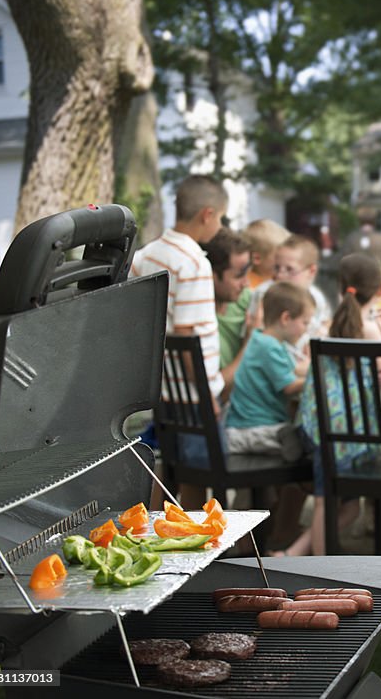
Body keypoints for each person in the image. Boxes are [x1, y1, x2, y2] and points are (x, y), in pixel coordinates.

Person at [283, 253, 381, 556]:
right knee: (342, 506)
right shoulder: (370, 331)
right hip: (353, 433)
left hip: (320, 429)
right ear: (380, 290)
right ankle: (314, 564)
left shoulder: (326, 328)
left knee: (328, 503)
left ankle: (298, 555)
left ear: (341, 287)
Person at [131, 174, 228, 510]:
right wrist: (204, 395)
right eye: (221, 218)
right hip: (192, 395)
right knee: (197, 478)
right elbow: (187, 335)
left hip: (163, 391)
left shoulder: (146, 256)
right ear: (207, 214)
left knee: (179, 470)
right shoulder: (195, 264)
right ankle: (198, 539)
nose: (220, 226)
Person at [224, 281, 313, 459]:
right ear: (286, 318)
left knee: (292, 436)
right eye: (305, 322)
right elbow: (289, 386)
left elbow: (292, 371)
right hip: (252, 428)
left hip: (247, 425)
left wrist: (311, 368)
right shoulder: (270, 347)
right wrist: (316, 379)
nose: (306, 329)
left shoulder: (261, 340)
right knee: (298, 437)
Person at [250, 235, 332, 358]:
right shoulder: (264, 294)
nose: (280, 276)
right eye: (277, 268)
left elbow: (325, 322)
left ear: (311, 271)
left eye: (289, 269)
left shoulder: (316, 297)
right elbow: (255, 334)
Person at [202, 227, 255, 398]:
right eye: (239, 276)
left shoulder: (245, 299)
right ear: (212, 275)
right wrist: (249, 343)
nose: (246, 283)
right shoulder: (198, 318)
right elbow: (218, 391)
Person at [243, 218, 290, 289]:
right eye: (279, 256)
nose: (286, 260)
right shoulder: (249, 287)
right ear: (257, 258)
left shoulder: (277, 280)